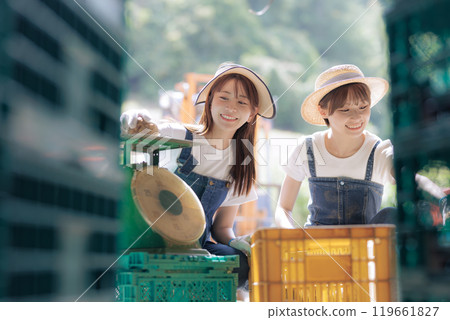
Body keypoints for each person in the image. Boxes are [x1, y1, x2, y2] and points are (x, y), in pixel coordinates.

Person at [121, 62, 275, 287]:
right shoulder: (178, 135)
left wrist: (237, 243)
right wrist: (132, 117)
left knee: (241, 264)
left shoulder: (242, 163)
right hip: (151, 240)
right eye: (224, 98)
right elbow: (140, 129)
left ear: (252, 114)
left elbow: (221, 228)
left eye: (242, 102)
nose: (231, 107)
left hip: (197, 248)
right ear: (210, 100)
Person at [275, 64, 447, 228]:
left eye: (363, 107)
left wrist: (438, 195)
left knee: (390, 214)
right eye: (345, 110)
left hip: (365, 251)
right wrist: (291, 234)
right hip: (318, 248)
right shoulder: (308, 148)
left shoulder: (379, 151)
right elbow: (283, 208)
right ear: (323, 111)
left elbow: (409, 176)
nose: (357, 117)